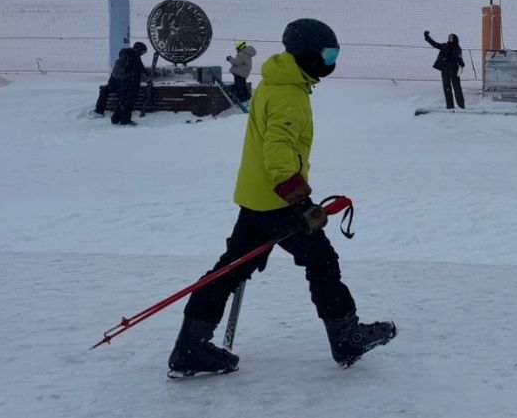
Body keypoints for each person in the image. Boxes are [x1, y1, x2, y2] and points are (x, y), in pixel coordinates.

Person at [168, 19, 396, 375]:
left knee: (230, 269)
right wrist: (301, 202)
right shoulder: (289, 94)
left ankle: (190, 347)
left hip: (256, 199)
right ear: (307, 54)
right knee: (321, 261)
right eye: (328, 54)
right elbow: (278, 156)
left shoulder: (276, 82)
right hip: (278, 203)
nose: (331, 61)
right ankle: (346, 336)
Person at [106, 42, 148, 125]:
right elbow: (141, 70)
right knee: (128, 102)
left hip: (120, 83)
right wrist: (148, 77)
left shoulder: (124, 54)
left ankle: (115, 119)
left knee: (122, 101)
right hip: (130, 83)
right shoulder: (135, 56)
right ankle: (125, 121)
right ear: (139, 50)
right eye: (143, 52)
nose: (142, 54)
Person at [423, 31, 466, 109]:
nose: (449, 39)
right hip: (445, 69)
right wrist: (427, 37)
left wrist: (462, 63)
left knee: (457, 88)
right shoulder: (444, 46)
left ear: (455, 39)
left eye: (451, 38)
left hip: (454, 70)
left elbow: (459, 58)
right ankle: (450, 106)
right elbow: (435, 44)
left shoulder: (458, 48)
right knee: (447, 88)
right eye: (449, 38)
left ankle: (461, 106)